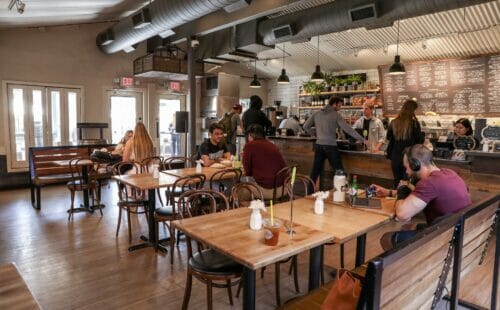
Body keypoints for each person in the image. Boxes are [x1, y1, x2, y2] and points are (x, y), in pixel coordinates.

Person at [371, 144, 471, 250]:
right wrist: (389, 192)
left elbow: (402, 214)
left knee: (387, 238)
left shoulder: (429, 183)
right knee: (407, 227)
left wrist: (402, 191)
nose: (406, 172)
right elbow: (421, 194)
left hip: (445, 239)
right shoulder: (449, 173)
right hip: (459, 231)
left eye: (407, 167)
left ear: (415, 165)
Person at [303, 96, 364, 190]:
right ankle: (341, 193)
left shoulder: (317, 113)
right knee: (340, 172)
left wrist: (315, 134)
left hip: (319, 146)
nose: (340, 108)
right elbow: (347, 129)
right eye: (339, 106)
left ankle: (309, 193)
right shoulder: (335, 115)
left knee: (315, 172)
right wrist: (363, 139)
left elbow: (305, 126)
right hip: (330, 146)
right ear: (334, 104)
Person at [386, 99, 424, 188]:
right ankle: (404, 200)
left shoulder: (394, 122)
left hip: (395, 157)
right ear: (413, 110)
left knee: (397, 182)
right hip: (409, 157)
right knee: (406, 183)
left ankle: (397, 199)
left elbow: (388, 137)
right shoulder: (414, 124)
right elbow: (419, 141)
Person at [242, 124, 287, 199]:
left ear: (249, 135)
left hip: (267, 190)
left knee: (237, 190)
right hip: (283, 188)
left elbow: (247, 172)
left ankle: (249, 210)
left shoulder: (249, 145)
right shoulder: (271, 144)